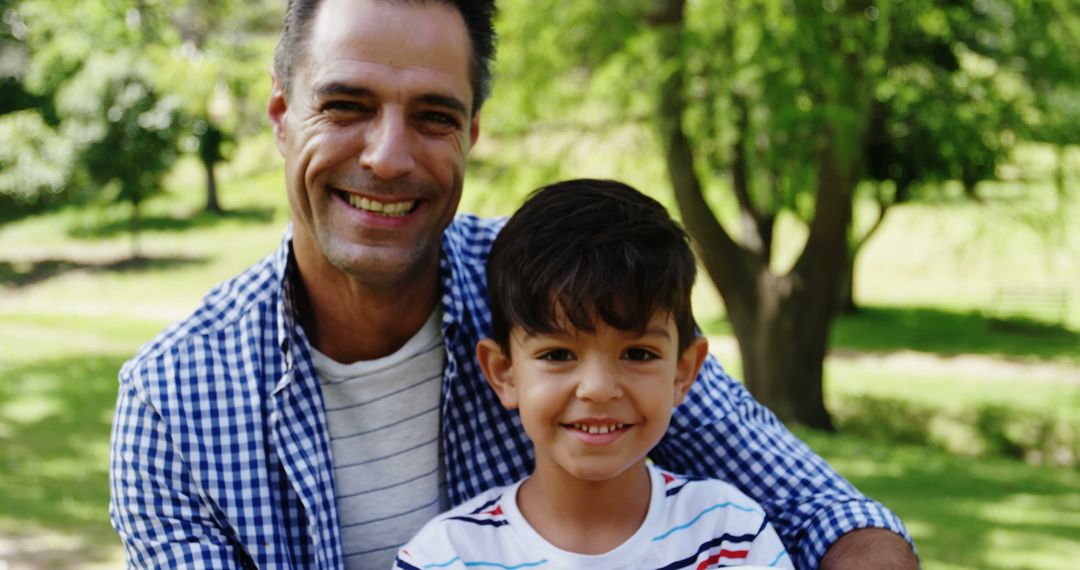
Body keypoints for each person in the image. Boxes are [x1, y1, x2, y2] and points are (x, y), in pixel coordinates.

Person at [108, 0, 918, 568]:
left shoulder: (564, 294)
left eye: (432, 116)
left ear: (472, 133)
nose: (389, 156)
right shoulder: (172, 402)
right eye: (347, 105)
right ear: (282, 116)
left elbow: (830, 517)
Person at [395, 179, 795, 570]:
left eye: (638, 353)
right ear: (504, 373)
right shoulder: (447, 556)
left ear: (684, 371)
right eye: (558, 354)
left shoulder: (730, 537)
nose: (599, 389)